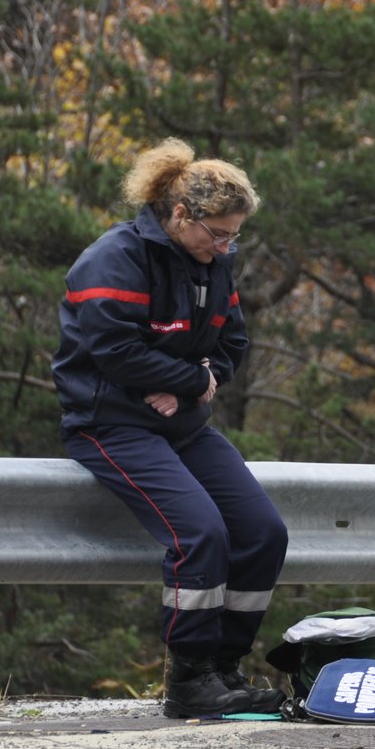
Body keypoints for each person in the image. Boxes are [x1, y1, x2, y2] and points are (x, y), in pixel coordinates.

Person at [52, 138, 288, 719]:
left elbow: (232, 341)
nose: (226, 246)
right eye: (218, 234)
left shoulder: (213, 261)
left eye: (234, 236)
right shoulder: (115, 257)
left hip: (182, 424)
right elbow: (111, 349)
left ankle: (224, 671)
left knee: (263, 533)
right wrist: (187, 377)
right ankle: (188, 681)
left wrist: (195, 379)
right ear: (182, 214)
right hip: (109, 423)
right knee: (200, 535)